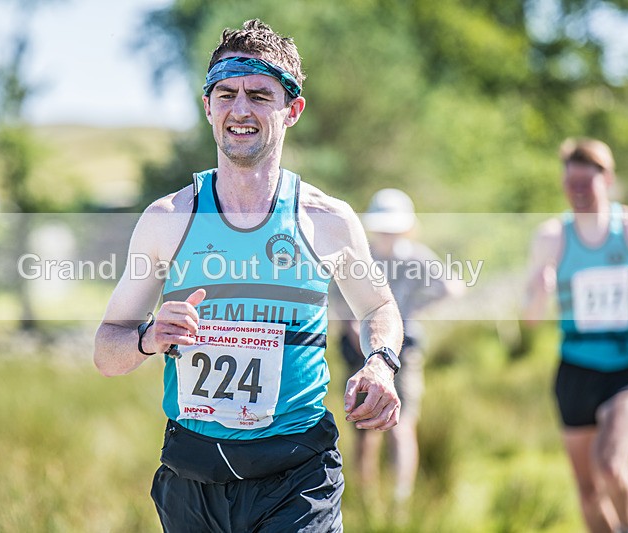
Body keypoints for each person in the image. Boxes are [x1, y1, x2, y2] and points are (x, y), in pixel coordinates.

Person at [93, 19, 403, 532]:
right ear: (208, 106)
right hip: (193, 477)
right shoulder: (169, 219)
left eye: (260, 95)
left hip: (297, 475)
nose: (241, 110)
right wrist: (148, 339)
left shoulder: (325, 220)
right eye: (227, 94)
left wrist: (382, 363)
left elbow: (379, 307)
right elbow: (107, 351)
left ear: (292, 109)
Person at [524, 138, 628, 533]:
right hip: (575, 369)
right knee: (587, 489)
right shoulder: (551, 237)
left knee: (610, 464)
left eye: (586, 183)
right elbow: (527, 320)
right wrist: (540, 292)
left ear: (607, 179)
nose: (578, 192)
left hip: (626, 368)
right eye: (570, 184)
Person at [336, 189, 459, 510]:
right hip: (357, 351)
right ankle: (367, 502)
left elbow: (450, 287)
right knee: (363, 427)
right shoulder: (361, 256)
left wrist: (413, 308)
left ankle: (399, 505)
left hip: (405, 351)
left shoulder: (417, 257)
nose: (388, 234)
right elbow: (337, 298)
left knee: (402, 425)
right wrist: (352, 324)